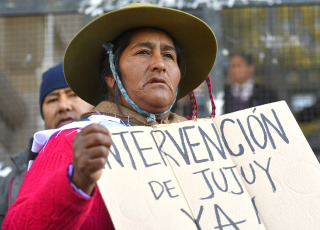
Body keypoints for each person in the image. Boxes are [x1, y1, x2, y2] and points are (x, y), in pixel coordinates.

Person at [3, 3, 217, 229]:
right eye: (143, 52)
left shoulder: (205, 147)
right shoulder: (73, 143)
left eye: (169, 55)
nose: (159, 64)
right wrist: (76, 182)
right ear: (111, 75)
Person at [0, 63, 93, 227]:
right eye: (52, 99)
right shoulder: (10, 181)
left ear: (93, 104)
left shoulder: (122, 157)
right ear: (43, 115)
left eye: (72, 95)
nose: (63, 106)